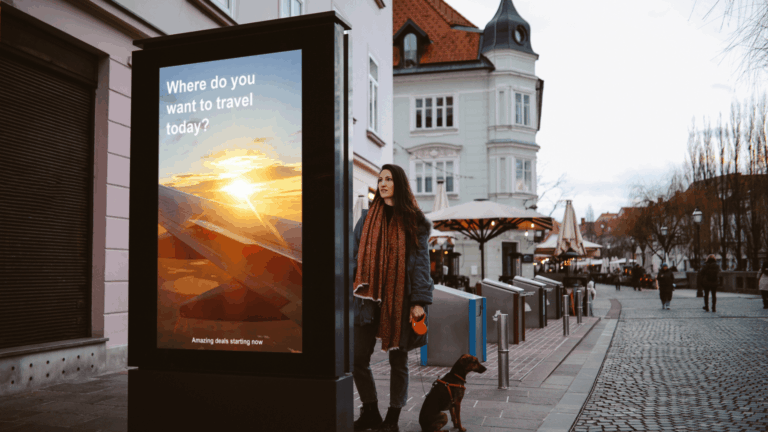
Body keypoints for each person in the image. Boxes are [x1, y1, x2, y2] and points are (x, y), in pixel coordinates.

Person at [352, 164, 434, 432]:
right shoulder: (366, 219)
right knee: (357, 358)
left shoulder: (414, 220)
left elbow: (421, 264)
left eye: (388, 178)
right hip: (368, 299)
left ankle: (393, 419)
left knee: (398, 361)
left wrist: (419, 302)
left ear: (399, 183)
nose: (383, 183)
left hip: (400, 299)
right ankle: (371, 411)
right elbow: (354, 257)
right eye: (380, 179)